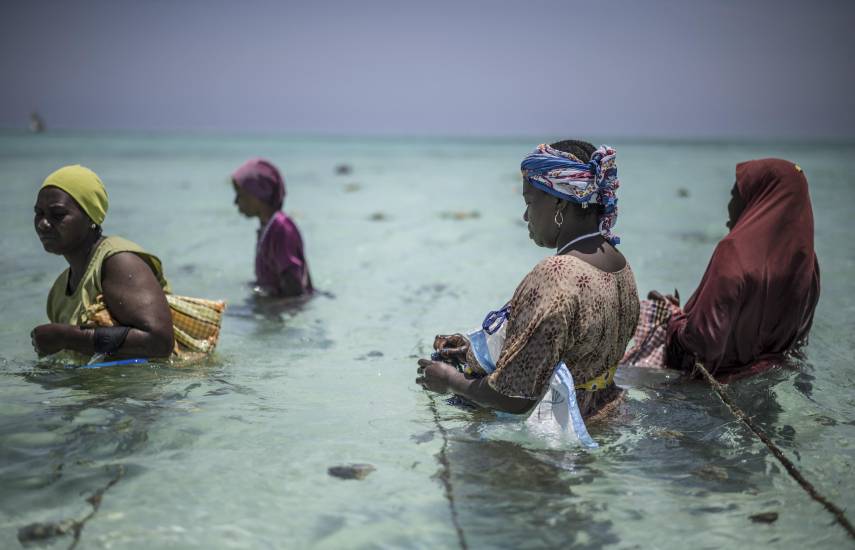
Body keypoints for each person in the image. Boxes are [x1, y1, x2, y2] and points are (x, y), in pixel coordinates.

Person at [417, 140, 639, 420]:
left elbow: (514, 397)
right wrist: (472, 351)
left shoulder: (557, 273)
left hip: (560, 430)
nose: (525, 216)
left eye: (530, 202)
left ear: (559, 202)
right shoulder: (620, 265)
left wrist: (449, 380)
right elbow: (572, 351)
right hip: (607, 415)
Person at [636, 159, 820, 380]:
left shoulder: (734, 251)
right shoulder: (807, 261)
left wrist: (672, 317)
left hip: (716, 382)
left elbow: (701, 345)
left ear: (756, 201)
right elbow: (797, 337)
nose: (729, 204)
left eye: (735, 195)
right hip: (770, 379)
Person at [31, 165, 175, 359]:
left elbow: (160, 342)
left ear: (91, 216)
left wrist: (66, 337)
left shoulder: (119, 262)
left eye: (58, 215)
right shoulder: (58, 293)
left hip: (158, 379)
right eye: (39, 213)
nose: (43, 224)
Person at [231, 158, 313, 298]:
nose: (236, 202)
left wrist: (273, 307)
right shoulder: (267, 227)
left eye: (241, 195)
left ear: (258, 195)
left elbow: (294, 288)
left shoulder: (281, 229)